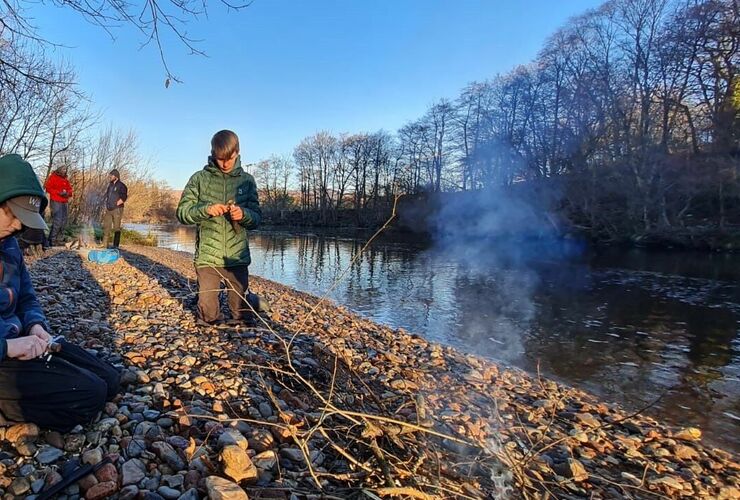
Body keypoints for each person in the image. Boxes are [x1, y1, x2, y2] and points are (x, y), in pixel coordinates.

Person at [0, 154, 120, 432]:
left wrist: (35, 325)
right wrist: (8, 347)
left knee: (110, 379)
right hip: (5, 349)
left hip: (18, 339)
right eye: (12, 215)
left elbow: (27, 295)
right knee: (89, 395)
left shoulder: (9, 245)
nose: (19, 226)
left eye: (24, 219)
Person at [177, 130, 262, 326]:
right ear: (212, 154)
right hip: (208, 257)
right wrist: (205, 210)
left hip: (236, 257)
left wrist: (244, 215)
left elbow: (257, 218)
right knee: (207, 318)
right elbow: (182, 213)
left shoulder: (247, 181)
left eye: (229, 159)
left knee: (242, 317)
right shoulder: (199, 179)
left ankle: (246, 307)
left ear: (238, 152)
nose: (224, 164)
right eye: (220, 159)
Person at [44, 165, 74, 246]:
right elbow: (48, 188)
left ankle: (59, 239)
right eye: (63, 169)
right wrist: (58, 192)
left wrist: (67, 193)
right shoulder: (53, 177)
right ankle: (52, 240)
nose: (65, 171)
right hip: (56, 201)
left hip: (64, 201)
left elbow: (70, 190)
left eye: (66, 169)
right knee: (58, 220)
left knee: (64, 221)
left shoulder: (66, 180)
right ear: (59, 170)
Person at [102, 169, 127, 248]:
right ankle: (104, 245)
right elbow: (107, 195)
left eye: (111, 175)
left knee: (116, 228)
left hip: (117, 209)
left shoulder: (122, 185)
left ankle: (115, 246)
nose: (110, 177)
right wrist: (106, 204)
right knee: (106, 227)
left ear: (116, 176)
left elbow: (124, 196)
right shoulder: (110, 185)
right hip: (109, 209)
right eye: (110, 175)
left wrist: (119, 202)